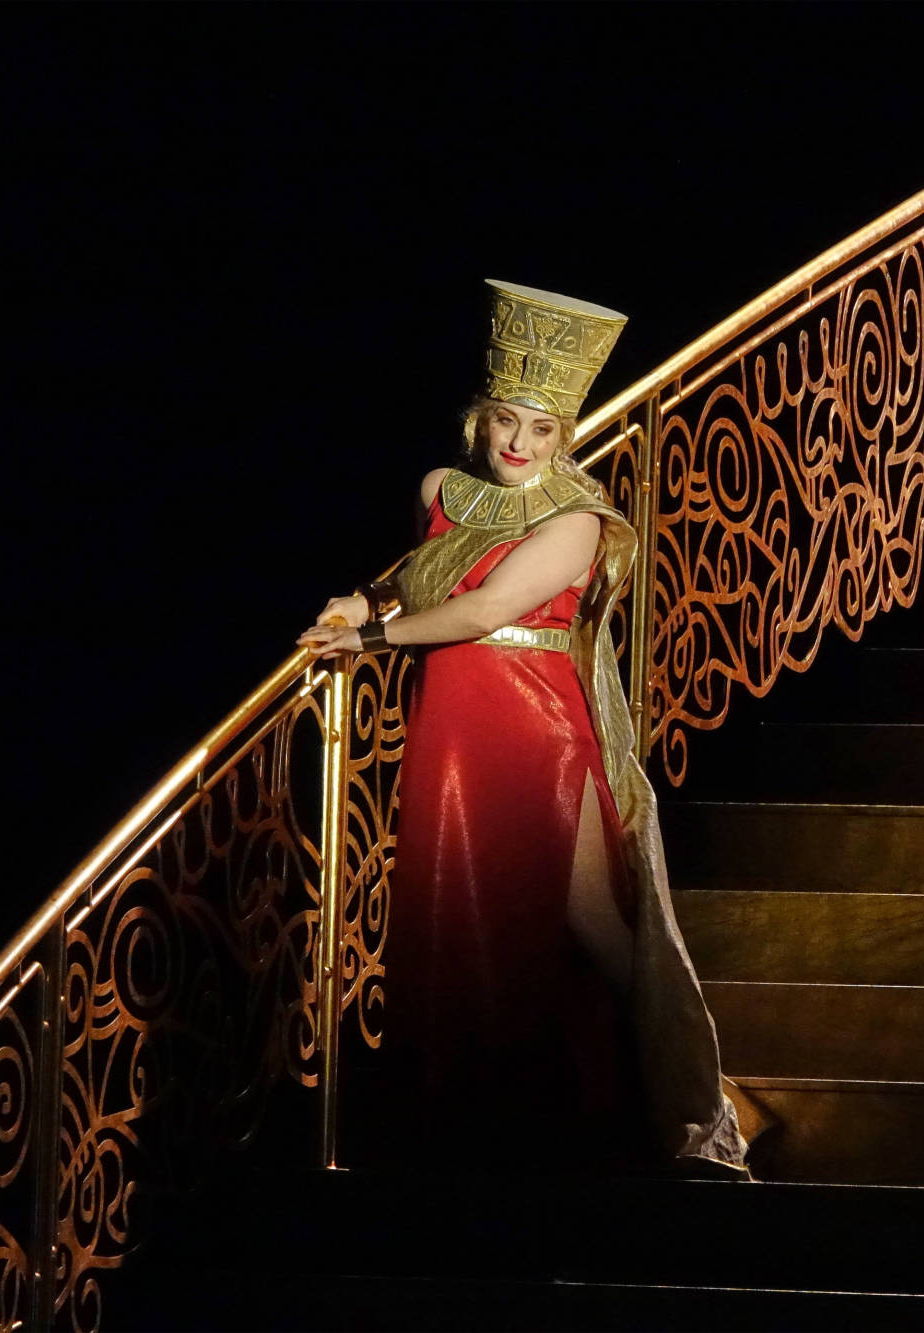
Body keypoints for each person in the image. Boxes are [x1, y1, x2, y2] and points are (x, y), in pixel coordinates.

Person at [298, 280, 754, 1178]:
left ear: (563, 435)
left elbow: (485, 608)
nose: (518, 443)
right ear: (481, 418)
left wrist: (372, 637)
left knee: (594, 925)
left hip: (539, 729)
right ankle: (479, 1115)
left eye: (541, 429)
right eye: (507, 420)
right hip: (455, 722)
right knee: (460, 904)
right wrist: (366, 599)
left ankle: (689, 1097)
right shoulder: (442, 489)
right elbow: (425, 577)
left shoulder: (579, 520)